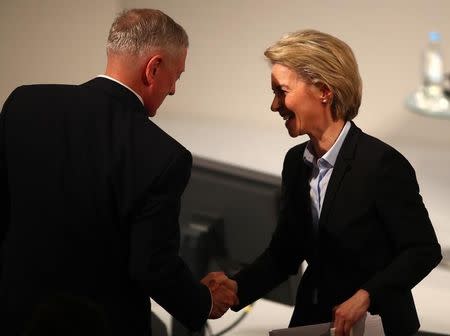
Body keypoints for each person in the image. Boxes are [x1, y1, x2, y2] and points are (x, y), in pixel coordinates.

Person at [0, 8, 236, 336]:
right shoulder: (163, 155)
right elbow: (152, 266)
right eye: (176, 76)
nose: (173, 90)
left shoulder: (24, 104)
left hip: (15, 317)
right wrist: (203, 301)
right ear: (154, 68)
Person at [203, 29, 442, 336]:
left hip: (377, 326)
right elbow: (285, 253)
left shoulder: (381, 165)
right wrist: (237, 287)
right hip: (314, 321)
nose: (275, 106)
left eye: (282, 91)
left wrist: (365, 296)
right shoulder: (295, 163)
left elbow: (422, 250)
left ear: (324, 91)